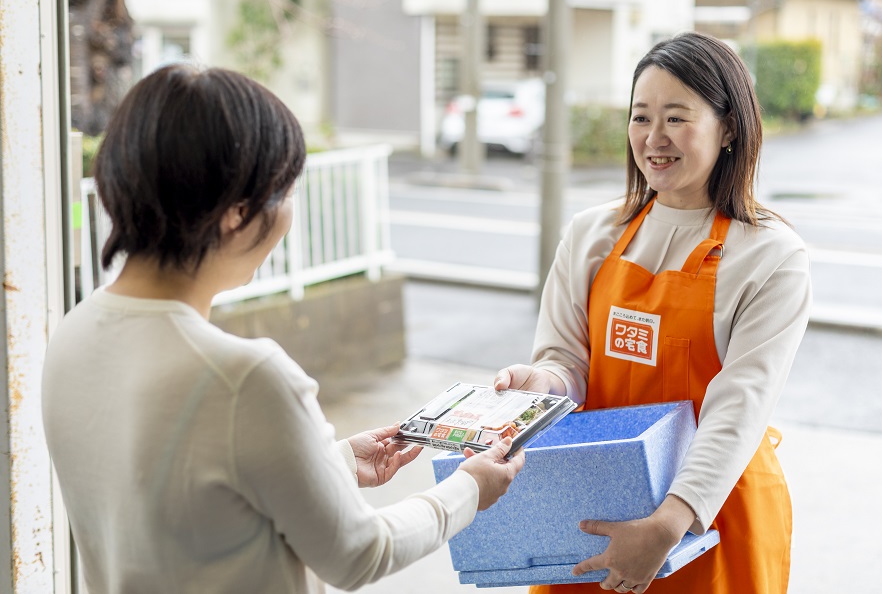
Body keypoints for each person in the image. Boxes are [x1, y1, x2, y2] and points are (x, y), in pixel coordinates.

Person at [41, 63, 525, 594]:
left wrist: (330, 465)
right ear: (235, 212)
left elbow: (185, 508)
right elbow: (360, 555)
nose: (289, 213)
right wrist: (469, 489)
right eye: (286, 191)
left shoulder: (71, 335)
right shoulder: (244, 378)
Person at [495, 32, 811, 594]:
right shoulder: (592, 234)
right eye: (641, 118)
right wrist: (540, 382)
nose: (653, 138)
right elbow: (567, 359)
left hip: (709, 515)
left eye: (676, 118)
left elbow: (739, 406)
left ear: (729, 127)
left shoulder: (771, 255)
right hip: (595, 508)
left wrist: (669, 522)